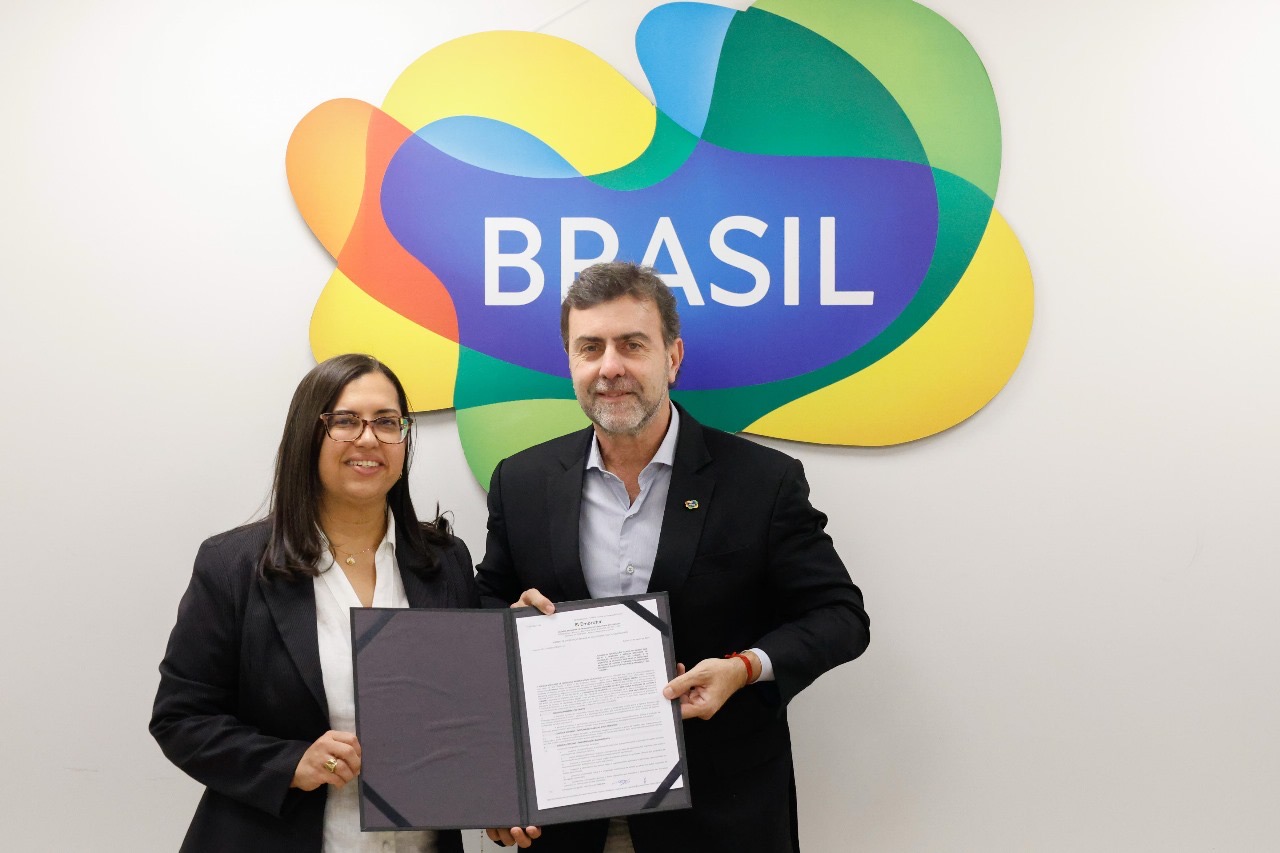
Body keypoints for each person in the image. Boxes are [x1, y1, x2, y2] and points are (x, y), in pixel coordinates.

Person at [476, 262, 871, 852]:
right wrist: (512, 621)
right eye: (590, 348)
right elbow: (485, 603)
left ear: (673, 357)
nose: (610, 367)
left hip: (719, 818)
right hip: (565, 818)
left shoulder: (762, 483)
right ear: (571, 363)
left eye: (632, 345)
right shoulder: (522, 481)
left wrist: (742, 667)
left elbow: (841, 617)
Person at [150, 354, 539, 852]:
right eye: (345, 421)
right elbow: (181, 718)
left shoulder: (444, 563)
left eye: (386, 422)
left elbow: (464, 716)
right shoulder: (233, 565)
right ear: (307, 435)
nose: (369, 438)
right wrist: (290, 763)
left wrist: (497, 799)